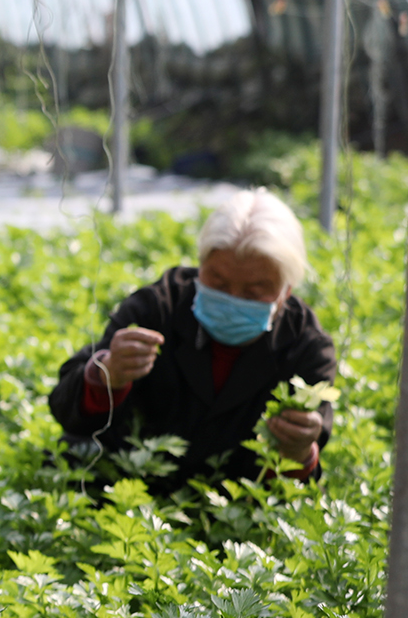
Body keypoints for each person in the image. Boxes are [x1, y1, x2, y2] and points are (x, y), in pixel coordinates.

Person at [49, 188, 338, 493]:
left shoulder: (306, 346)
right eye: (218, 282)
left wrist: (299, 451)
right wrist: (109, 374)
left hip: (230, 502)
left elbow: (297, 485)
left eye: (254, 292)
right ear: (200, 268)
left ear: (286, 292)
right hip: (124, 489)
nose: (232, 299)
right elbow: (67, 410)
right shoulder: (156, 308)